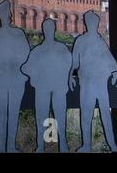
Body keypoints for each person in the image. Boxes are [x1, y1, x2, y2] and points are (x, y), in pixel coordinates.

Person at [0, 0, 30, 153]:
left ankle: (10, 145)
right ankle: (1, 145)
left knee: (13, 112)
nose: (3, 14)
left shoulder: (18, 34)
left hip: (16, 80)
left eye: (5, 11)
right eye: (1, 11)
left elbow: (25, 57)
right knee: (0, 113)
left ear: (8, 14)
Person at [70, 11, 117, 152]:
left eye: (96, 23)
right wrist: (70, 76)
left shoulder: (100, 41)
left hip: (100, 83)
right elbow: (74, 61)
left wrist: (115, 71)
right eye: (92, 22)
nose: (94, 25)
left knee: (105, 114)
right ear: (87, 24)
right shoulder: (80, 41)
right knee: (86, 115)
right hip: (86, 83)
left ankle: (112, 144)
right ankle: (86, 145)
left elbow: (108, 58)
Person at [21, 19, 71, 152]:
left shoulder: (61, 49)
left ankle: (63, 145)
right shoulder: (38, 51)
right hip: (42, 88)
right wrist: (35, 75)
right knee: (41, 116)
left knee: (60, 116)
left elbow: (69, 65)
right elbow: (26, 68)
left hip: (58, 89)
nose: (48, 30)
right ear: (44, 31)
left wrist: (66, 77)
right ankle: (41, 145)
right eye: (46, 28)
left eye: (50, 28)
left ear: (53, 29)